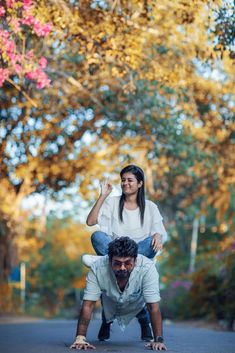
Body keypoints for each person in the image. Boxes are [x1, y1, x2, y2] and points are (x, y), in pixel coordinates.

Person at [70, 237, 167, 351]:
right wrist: (80, 338)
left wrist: (158, 340)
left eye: (127, 263)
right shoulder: (97, 267)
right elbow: (88, 304)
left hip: (137, 301)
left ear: (135, 260)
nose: (122, 267)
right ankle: (106, 321)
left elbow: (153, 306)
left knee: (142, 309)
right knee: (107, 306)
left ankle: (145, 324)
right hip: (109, 300)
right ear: (109, 260)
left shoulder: (147, 268)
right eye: (117, 263)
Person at [83, 164, 167, 267]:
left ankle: (108, 260)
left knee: (150, 242)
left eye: (130, 180)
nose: (125, 183)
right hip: (116, 249)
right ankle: (132, 261)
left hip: (138, 250)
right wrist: (103, 195)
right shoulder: (112, 202)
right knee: (97, 236)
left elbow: (158, 234)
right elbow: (90, 222)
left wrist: (158, 235)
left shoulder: (151, 206)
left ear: (140, 183)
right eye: (123, 180)